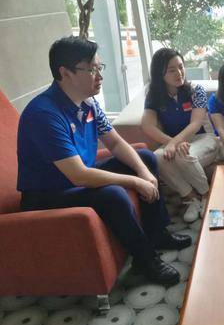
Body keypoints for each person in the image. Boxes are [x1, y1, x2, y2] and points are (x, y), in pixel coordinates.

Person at [17, 36, 190, 286]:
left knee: (144, 158)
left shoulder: (88, 103)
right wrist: (136, 182)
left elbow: (116, 144)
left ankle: (157, 234)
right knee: (113, 194)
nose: (100, 76)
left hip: (78, 177)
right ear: (65, 73)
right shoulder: (44, 114)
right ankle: (145, 260)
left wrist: (143, 172)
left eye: (100, 68)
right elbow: (79, 175)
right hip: (49, 193)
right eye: (91, 70)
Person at [141, 48, 218, 223]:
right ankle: (192, 198)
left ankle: (207, 195)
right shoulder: (154, 95)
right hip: (175, 142)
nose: (179, 73)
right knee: (156, 157)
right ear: (160, 74)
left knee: (184, 155)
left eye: (181, 67)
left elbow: (195, 123)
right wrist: (172, 143)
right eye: (171, 70)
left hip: (203, 138)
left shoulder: (196, 91)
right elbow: (147, 125)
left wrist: (174, 144)